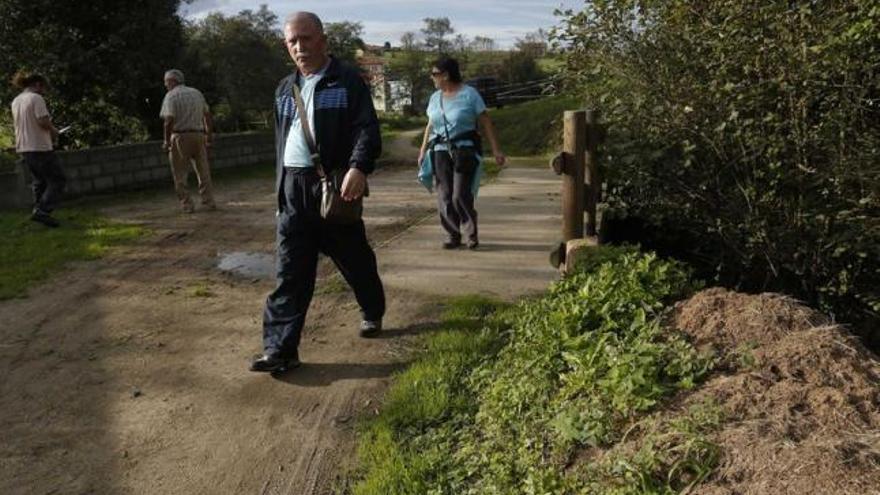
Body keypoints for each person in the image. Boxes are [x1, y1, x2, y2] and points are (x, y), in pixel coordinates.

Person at [249, 12, 385, 374]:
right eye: (293, 41)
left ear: (323, 40)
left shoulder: (347, 82)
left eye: (306, 39)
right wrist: (281, 195)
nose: (300, 47)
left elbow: (366, 130)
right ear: (286, 46)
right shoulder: (283, 89)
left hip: (334, 186)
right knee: (290, 272)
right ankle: (280, 350)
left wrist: (358, 167)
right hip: (294, 189)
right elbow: (282, 144)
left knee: (354, 261)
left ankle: (372, 309)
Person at [418, 56, 506, 250]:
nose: (432, 78)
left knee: (460, 195)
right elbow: (430, 125)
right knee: (445, 194)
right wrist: (423, 150)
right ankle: (452, 234)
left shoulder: (470, 94)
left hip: (464, 150)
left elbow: (486, 122)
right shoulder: (435, 98)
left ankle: (470, 233)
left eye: (435, 74)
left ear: (446, 75)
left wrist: (496, 150)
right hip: (440, 150)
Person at [10, 71, 64, 228]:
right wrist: (55, 131)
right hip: (39, 146)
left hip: (25, 147)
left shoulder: (16, 101)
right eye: (43, 87)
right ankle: (43, 211)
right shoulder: (36, 98)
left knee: (40, 181)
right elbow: (42, 121)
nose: (44, 91)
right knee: (57, 179)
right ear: (37, 84)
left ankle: (39, 212)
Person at [159, 69, 216, 213]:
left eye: (166, 82)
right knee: (203, 170)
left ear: (172, 81)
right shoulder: (196, 93)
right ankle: (208, 201)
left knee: (179, 172)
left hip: (180, 136)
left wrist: (166, 141)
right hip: (198, 135)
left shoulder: (171, 96)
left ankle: (187, 204)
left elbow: (168, 120)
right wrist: (208, 135)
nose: (166, 85)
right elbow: (207, 115)